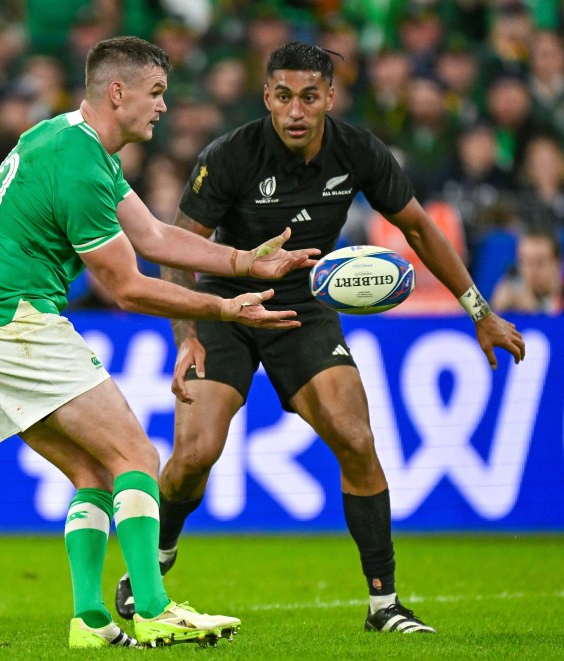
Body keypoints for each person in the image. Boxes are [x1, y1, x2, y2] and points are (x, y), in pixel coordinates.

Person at [114, 42, 526, 635]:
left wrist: (479, 310)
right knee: (195, 454)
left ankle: (384, 606)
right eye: (283, 96)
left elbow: (418, 226)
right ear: (267, 98)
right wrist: (186, 336)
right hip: (227, 305)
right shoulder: (230, 156)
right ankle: (158, 555)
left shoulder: (357, 150)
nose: (296, 110)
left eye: (309, 96)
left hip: (304, 304)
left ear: (330, 97)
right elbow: (177, 252)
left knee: (356, 439)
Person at [0, 36, 320, 650]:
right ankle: (153, 607)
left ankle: (89, 620)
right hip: (16, 326)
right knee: (138, 459)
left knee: (93, 472)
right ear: (117, 93)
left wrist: (247, 264)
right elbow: (126, 287)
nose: (163, 107)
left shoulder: (68, 139)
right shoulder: (80, 162)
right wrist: (225, 307)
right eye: (156, 93)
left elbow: (156, 237)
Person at [490, 228, 564, 314]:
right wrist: (495, 314)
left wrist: (534, 312)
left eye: (539, 262)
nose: (532, 271)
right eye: (526, 262)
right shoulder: (512, 303)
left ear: (559, 263)